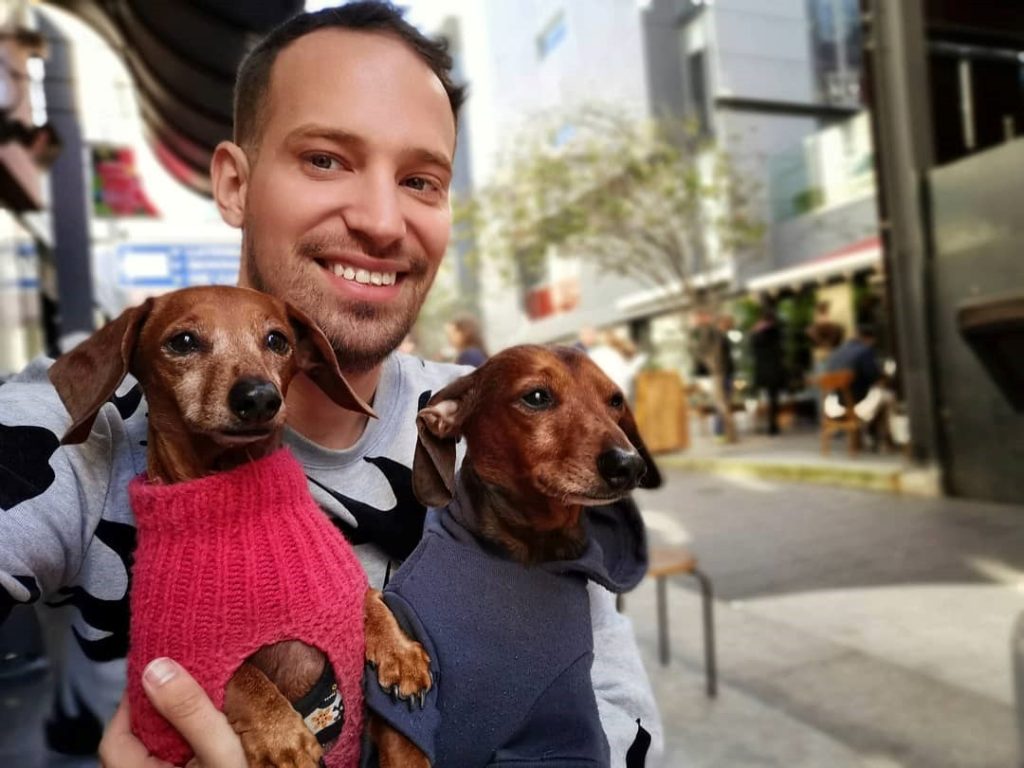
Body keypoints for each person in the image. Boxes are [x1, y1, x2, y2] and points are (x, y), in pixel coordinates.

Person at [0, 4, 662, 766]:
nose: (383, 221)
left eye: (421, 179)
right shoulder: (85, 426)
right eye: (325, 159)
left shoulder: (492, 418)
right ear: (234, 183)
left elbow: (606, 710)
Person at [824, 322, 892, 447]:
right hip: (857, 406)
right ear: (869, 339)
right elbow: (874, 377)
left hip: (833, 405)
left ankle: (863, 437)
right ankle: (886, 441)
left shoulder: (836, 352)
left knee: (871, 394)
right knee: (888, 397)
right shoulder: (865, 351)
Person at [750, 305, 786, 435]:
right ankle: (772, 425)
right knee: (773, 399)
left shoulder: (758, 333)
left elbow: (754, 350)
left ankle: (769, 425)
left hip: (764, 371)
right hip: (773, 370)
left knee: (768, 398)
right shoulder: (775, 331)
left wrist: (756, 331)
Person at [586, 329, 648, 404]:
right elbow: (624, 376)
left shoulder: (596, 352)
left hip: (599, 395)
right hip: (616, 394)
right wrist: (638, 362)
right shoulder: (611, 354)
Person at [712, 314, 736, 440]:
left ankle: (723, 432)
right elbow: (718, 359)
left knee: (723, 404)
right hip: (723, 375)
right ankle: (720, 433)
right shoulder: (718, 338)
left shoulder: (722, 337)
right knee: (722, 404)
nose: (731, 325)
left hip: (724, 374)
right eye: (729, 322)